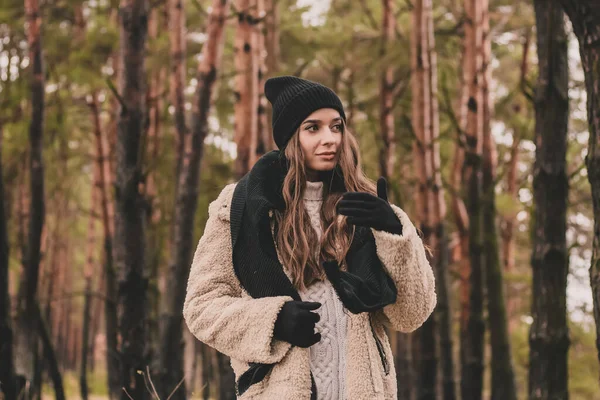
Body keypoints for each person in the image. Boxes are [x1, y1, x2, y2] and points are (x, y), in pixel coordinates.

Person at [183, 75, 436, 399]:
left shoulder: (365, 207)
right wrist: (273, 321)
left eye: (336, 126)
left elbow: (412, 314)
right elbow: (201, 307)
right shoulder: (241, 208)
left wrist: (393, 232)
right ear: (291, 137)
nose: (329, 138)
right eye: (313, 128)